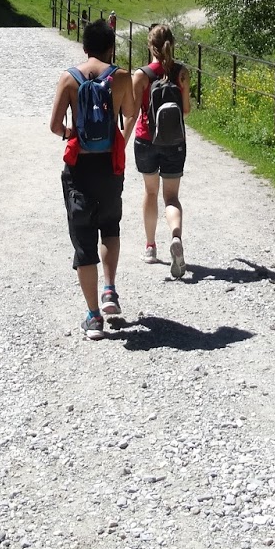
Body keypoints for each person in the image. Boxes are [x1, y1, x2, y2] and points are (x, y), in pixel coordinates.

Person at [50, 18, 134, 339]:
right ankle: (110, 290)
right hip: (110, 168)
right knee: (110, 227)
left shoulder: (68, 79)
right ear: (111, 47)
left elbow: (55, 125)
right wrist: (118, 140)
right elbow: (128, 115)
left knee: (84, 241)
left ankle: (94, 318)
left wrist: (73, 132)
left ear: (84, 47)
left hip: (80, 170)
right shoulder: (122, 77)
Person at [127, 23, 190, 278]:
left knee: (150, 192)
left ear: (149, 45)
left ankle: (151, 247)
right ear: (171, 44)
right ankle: (175, 236)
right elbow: (186, 111)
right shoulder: (182, 72)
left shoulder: (141, 75)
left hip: (146, 140)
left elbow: (132, 114)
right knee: (171, 198)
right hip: (175, 142)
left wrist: (120, 143)